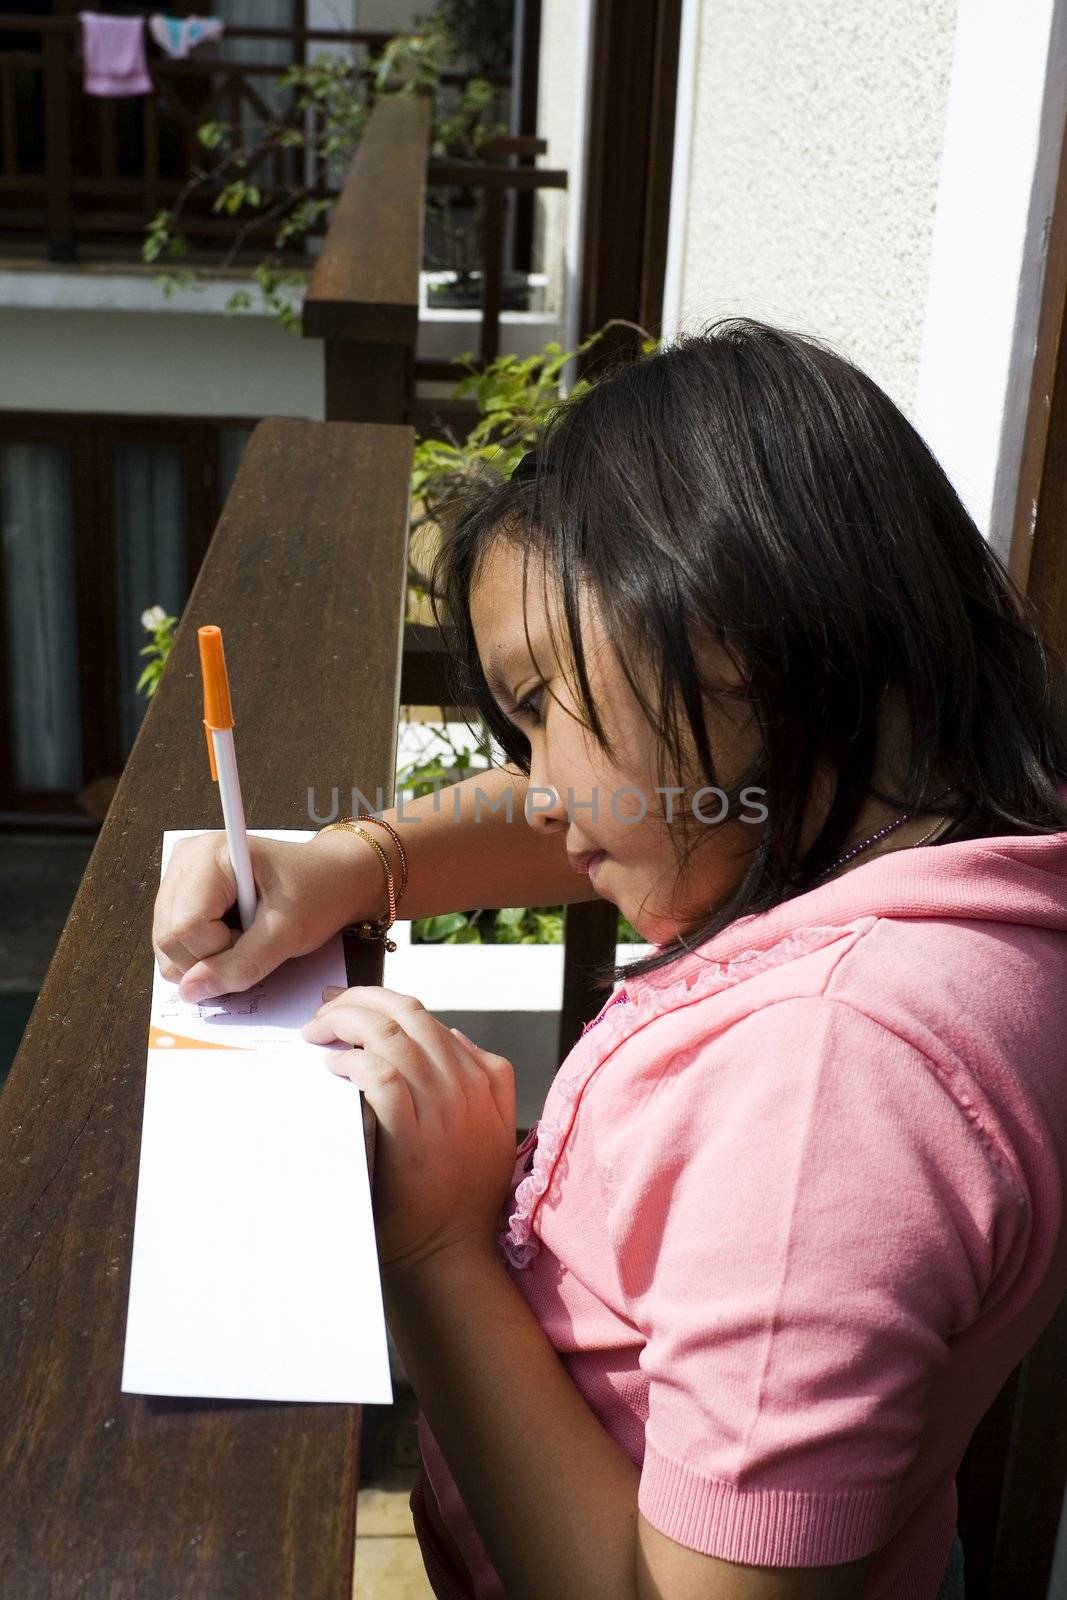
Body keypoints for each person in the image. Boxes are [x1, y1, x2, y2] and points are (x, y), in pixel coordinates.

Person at [152, 321, 1067, 1600]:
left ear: (739, 632)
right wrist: (357, 863)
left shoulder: (834, 1083)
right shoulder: (952, 873)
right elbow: (618, 812)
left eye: (538, 706)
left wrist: (438, 1252)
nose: (534, 787)